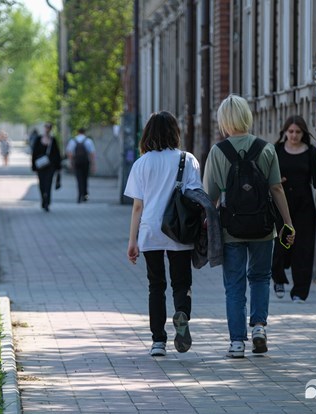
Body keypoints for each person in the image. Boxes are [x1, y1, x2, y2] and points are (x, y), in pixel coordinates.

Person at [203, 94, 294, 358]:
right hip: (264, 226)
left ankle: (237, 343)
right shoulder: (266, 149)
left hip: (231, 228)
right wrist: (288, 223)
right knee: (261, 277)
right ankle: (258, 328)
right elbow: (276, 188)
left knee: (234, 284)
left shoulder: (218, 152)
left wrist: (204, 225)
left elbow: (210, 197)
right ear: (246, 116)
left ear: (224, 120)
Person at [124, 111, 202, 357]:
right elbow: (195, 196)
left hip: (150, 231)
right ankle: (182, 314)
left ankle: (158, 340)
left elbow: (138, 206)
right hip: (179, 230)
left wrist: (132, 241)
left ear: (147, 134)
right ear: (175, 133)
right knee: (182, 282)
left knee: (155, 286)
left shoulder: (142, 163)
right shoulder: (187, 160)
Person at [271, 115, 316, 303]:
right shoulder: (277, 150)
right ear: (285, 132)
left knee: (303, 248)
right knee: (281, 245)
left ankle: (299, 291)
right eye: (290, 131)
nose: (294, 135)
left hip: (304, 206)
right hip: (281, 204)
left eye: (297, 132)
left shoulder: (310, 152)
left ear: (303, 133)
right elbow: (266, 174)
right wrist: (275, 181)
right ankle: (278, 279)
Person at [31, 122, 62, 212]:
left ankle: (47, 202)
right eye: (46, 127)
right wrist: (34, 166)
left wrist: (58, 167)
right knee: (42, 184)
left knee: (48, 184)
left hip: (50, 166)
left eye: (49, 127)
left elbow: (57, 154)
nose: (47, 129)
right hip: (40, 166)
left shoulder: (53, 140)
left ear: (51, 129)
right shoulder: (38, 139)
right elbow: (34, 153)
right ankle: (43, 199)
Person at [66, 127, 96, 203]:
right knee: (85, 178)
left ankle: (79, 195)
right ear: (84, 132)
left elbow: (69, 152)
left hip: (77, 162)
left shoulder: (73, 141)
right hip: (86, 162)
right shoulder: (88, 141)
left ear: (77, 132)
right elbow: (92, 153)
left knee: (79, 179)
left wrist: (70, 162)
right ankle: (85, 195)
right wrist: (93, 164)